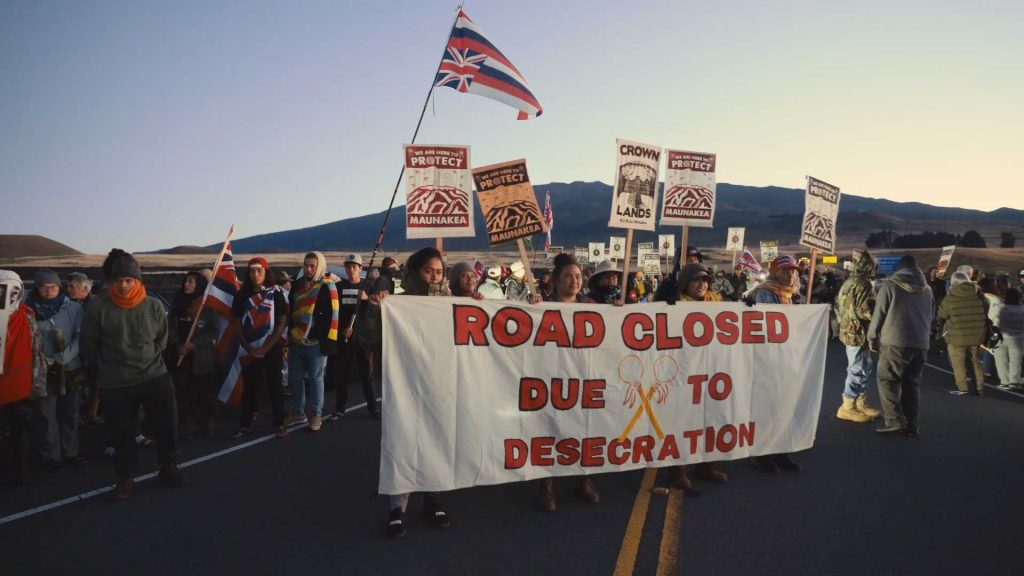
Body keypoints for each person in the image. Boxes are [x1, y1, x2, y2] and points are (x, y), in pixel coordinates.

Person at [80, 249, 188, 501]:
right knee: (121, 433)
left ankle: (169, 466)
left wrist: (148, 360)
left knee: (166, 424)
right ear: (111, 282)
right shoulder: (99, 309)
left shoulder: (153, 306)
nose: (124, 285)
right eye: (118, 281)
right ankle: (125, 477)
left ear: (138, 281)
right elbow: (88, 345)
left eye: (129, 280)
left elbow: (161, 340)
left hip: (153, 376)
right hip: (116, 383)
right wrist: (106, 370)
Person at [387, 247, 452, 539]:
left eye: (438, 272)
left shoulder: (451, 304)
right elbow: (367, 338)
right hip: (405, 385)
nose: (434, 277)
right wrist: (377, 312)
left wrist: (474, 303)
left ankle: (433, 499)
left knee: (437, 440)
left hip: (439, 384)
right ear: (415, 272)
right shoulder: (397, 304)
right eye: (428, 271)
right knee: (402, 441)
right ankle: (397, 507)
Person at [537, 253, 601, 512]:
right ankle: (546, 486)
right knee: (549, 430)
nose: (574, 281)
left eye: (578, 276)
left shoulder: (591, 304)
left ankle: (583, 479)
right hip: (550, 377)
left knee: (583, 428)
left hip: (583, 376)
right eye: (568, 276)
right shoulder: (542, 305)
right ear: (555, 280)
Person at [657, 263, 729, 490]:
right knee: (682, 420)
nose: (703, 284)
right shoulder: (674, 306)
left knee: (711, 417)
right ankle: (677, 469)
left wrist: (746, 309)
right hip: (684, 371)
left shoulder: (717, 305)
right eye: (697, 280)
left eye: (706, 280)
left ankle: (707, 464)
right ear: (685, 283)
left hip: (711, 370)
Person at [745, 255, 803, 471]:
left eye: (794, 271)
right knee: (767, 407)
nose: (791, 275)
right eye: (787, 271)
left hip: (786, 359)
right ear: (775, 272)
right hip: (768, 361)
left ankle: (780, 451)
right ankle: (762, 452)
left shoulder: (789, 296)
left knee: (784, 406)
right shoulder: (765, 293)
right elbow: (768, 329)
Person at [867, 255, 934, 436]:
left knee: (888, 381)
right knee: (912, 384)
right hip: (920, 343)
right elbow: (931, 316)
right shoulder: (927, 289)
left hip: (894, 341)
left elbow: (879, 313)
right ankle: (912, 423)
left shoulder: (890, 286)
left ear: (899, 269)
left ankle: (894, 421)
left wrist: (872, 337)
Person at [26, 269, 86, 468]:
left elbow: (80, 334)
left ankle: (71, 451)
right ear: (37, 288)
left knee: (70, 411)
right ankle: (51, 455)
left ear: (59, 288)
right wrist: (41, 358)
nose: (49, 291)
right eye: (45, 287)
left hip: (70, 366)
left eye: (53, 287)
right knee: (46, 413)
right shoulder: (28, 309)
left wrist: (66, 355)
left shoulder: (73, 309)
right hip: (42, 369)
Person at [231, 258, 289, 438]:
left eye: (259, 271)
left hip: (271, 349)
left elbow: (281, 322)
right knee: (249, 388)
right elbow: (236, 322)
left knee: (275, 386)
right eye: (251, 271)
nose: (255, 275)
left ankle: (279, 422)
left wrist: (266, 347)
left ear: (266, 272)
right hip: (250, 349)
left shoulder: (276, 293)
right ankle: (245, 424)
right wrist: (248, 346)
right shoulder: (241, 296)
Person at [286, 252, 339, 432]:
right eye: (306, 265)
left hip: (316, 342)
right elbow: (291, 310)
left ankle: (316, 413)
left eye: (312, 266)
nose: (308, 269)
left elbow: (331, 316)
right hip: (296, 340)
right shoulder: (297, 285)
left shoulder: (327, 287)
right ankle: (298, 412)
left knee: (316, 379)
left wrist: (315, 334)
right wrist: (291, 333)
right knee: (295, 378)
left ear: (320, 266)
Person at [166, 271, 218, 439]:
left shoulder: (207, 306)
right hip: (181, 357)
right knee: (183, 394)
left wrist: (195, 343)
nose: (186, 284)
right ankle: (186, 425)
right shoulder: (177, 305)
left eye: (191, 282)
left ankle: (206, 424)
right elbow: (170, 327)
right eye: (185, 281)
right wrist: (177, 344)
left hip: (202, 359)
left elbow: (213, 330)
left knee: (204, 393)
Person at [835, 251, 882, 423]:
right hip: (858, 331)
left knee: (864, 366)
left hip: (849, 329)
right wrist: (880, 315)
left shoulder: (848, 282)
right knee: (857, 368)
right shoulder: (864, 284)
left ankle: (859, 402)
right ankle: (847, 406)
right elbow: (865, 310)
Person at [330, 253, 378, 420]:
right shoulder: (339, 287)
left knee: (367, 375)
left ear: (360, 268)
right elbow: (335, 312)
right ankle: (340, 408)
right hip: (345, 338)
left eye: (354, 267)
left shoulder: (368, 286)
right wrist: (342, 329)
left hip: (363, 339)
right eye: (348, 266)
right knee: (342, 374)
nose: (351, 269)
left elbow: (378, 308)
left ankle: (373, 408)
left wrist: (367, 298)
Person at [0, 270, 37, 485]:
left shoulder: (27, 314)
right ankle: (20, 472)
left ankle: (16, 471)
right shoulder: (27, 314)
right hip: (21, 384)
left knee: (17, 431)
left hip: (15, 385)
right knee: (19, 431)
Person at [938, 271, 988, 396]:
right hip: (976, 333)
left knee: (958, 361)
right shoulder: (978, 294)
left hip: (957, 334)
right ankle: (979, 387)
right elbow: (985, 310)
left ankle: (962, 387)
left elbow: (942, 314)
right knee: (975, 360)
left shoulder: (951, 296)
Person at [995, 288, 1024, 390]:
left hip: (1000, 336)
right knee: (1015, 360)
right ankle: (1014, 381)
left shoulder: (1000, 307)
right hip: (1018, 338)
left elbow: (993, 319)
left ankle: (1004, 381)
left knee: (1001, 360)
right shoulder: (1022, 309)